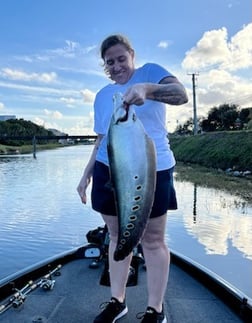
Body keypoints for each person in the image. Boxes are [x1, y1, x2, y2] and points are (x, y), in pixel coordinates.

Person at [77, 34, 188, 323]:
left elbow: (180, 94)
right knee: (116, 236)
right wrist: (86, 174)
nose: (116, 66)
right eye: (109, 62)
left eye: (121, 59)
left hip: (153, 169)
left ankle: (155, 310)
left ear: (132, 55)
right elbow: (101, 139)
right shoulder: (102, 96)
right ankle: (118, 301)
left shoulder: (151, 72)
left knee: (152, 240)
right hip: (108, 169)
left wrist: (147, 90)